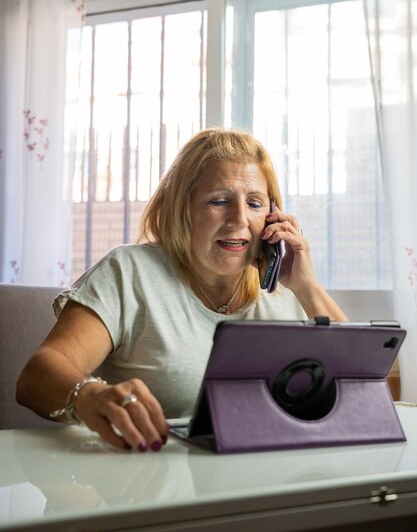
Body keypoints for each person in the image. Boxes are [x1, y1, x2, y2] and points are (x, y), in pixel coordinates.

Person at [16, 128, 347, 453]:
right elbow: (36, 376)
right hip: (150, 482)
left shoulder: (287, 290)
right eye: (219, 201)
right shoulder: (130, 272)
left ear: (274, 215)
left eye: (255, 203)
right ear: (181, 209)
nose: (239, 219)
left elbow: (358, 388)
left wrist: (308, 286)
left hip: (264, 484)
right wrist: (89, 397)